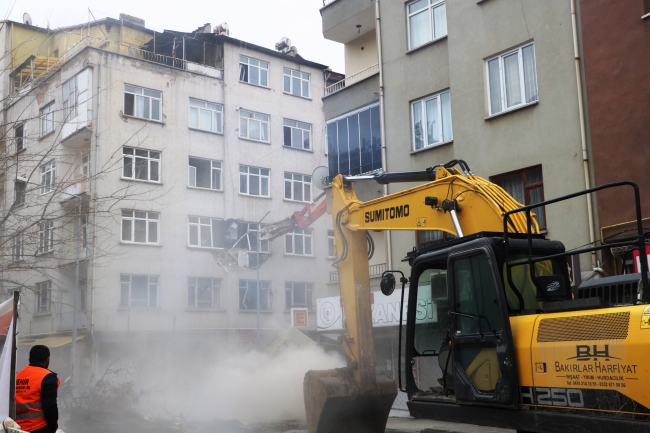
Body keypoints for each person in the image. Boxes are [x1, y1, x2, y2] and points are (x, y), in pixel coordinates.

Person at [15, 345, 59, 433]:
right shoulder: (48, 377)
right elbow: (49, 406)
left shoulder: (16, 376)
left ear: (29, 360)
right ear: (47, 359)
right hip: (39, 427)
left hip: (16, 427)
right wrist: (53, 427)